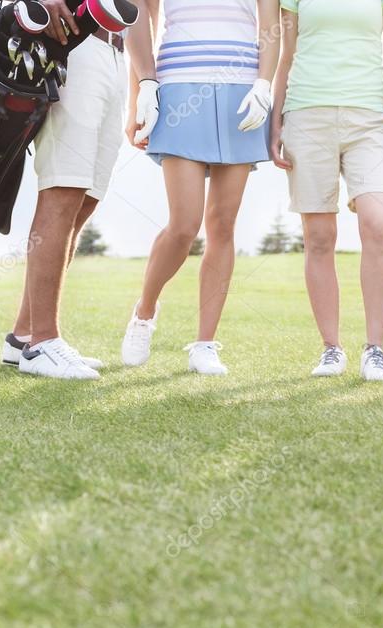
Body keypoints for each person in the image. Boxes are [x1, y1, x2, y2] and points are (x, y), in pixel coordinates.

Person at [120, 0, 281, 375]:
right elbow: (140, 14)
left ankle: (205, 345)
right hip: (178, 87)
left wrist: (264, 84)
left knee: (222, 225)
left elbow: (272, 25)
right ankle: (144, 312)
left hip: (241, 93)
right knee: (184, 226)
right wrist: (139, 95)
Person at [270, 0, 383, 383]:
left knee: (377, 223)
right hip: (306, 115)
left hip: (369, 120)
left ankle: (376, 349)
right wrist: (275, 121)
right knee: (319, 237)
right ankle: (331, 348)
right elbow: (287, 54)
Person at [1, 0, 132, 380]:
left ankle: (22, 337)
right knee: (64, 188)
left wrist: (148, 82)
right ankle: (43, 341)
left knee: (85, 201)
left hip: (115, 51)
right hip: (73, 43)